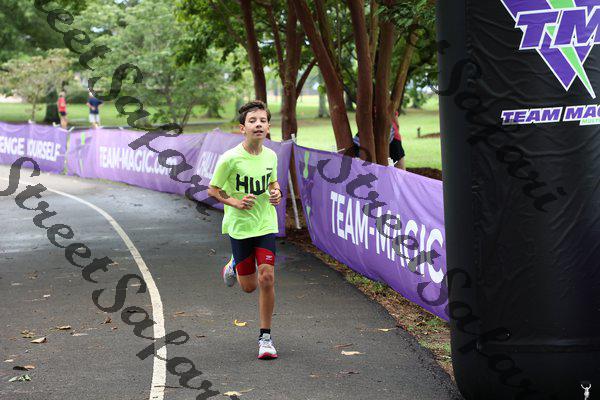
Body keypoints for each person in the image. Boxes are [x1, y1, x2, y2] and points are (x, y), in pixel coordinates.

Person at [207, 100, 282, 360]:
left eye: (263, 120)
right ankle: (233, 265)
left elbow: (273, 183)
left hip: (265, 223)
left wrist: (277, 193)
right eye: (252, 121)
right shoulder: (230, 158)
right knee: (248, 287)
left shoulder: (271, 156)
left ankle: (265, 339)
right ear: (243, 128)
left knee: (267, 278)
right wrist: (235, 202)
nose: (258, 124)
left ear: (268, 127)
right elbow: (213, 190)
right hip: (240, 227)